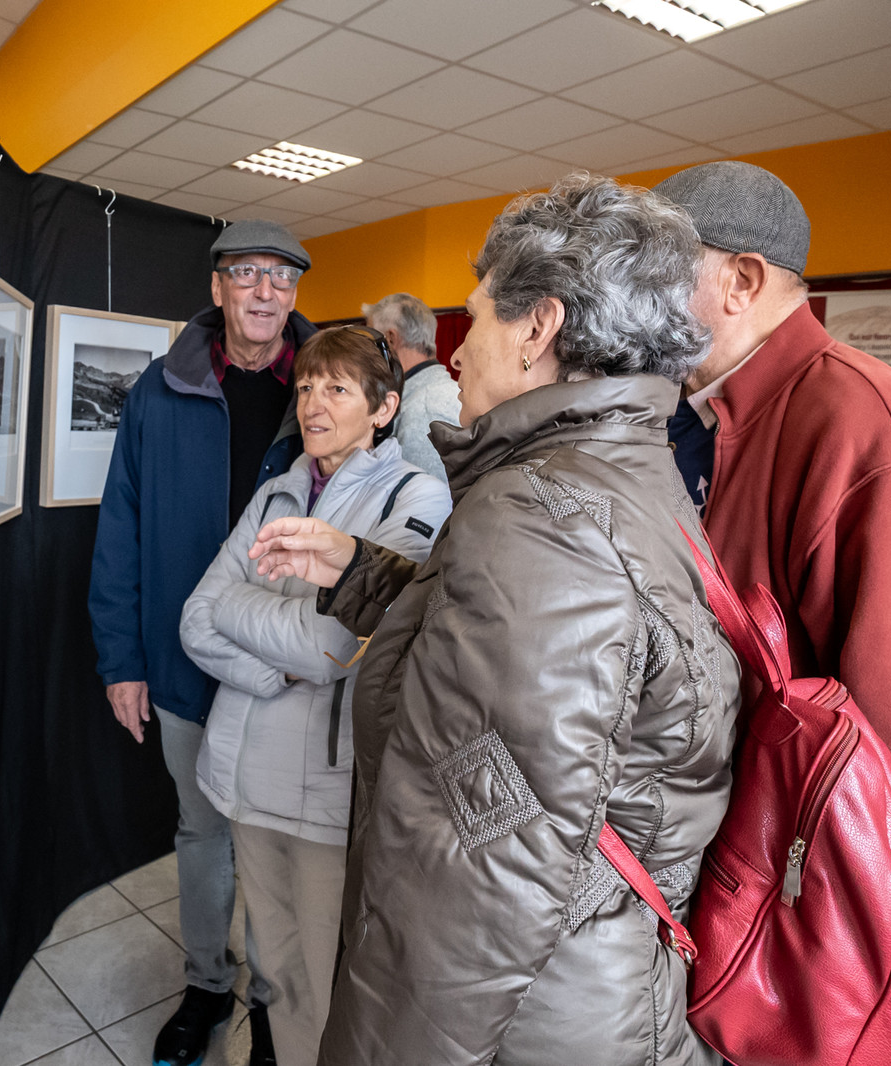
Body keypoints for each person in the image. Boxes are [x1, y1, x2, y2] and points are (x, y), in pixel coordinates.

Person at [251, 174, 743, 1065]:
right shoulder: (616, 476)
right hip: (583, 983)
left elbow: (476, 879)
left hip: (523, 1017)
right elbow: (512, 666)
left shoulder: (541, 516)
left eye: (473, 320)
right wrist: (361, 571)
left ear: (538, 329)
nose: (458, 350)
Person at [180, 326, 451, 1066]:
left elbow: (333, 644)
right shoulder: (276, 490)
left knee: (331, 981)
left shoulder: (416, 496)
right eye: (305, 387)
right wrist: (274, 668)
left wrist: (275, 632)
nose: (312, 403)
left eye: (336, 389)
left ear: (384, 408)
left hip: (327, 793)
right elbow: (197, 618)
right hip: (243, 771)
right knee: (273, 968)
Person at [89, 219, 319, 1066]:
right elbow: (122, 529)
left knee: (279, 842)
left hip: (288, 665)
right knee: (204, 831)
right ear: (218, 288)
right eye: (248, 275)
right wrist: (122, 659)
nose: (266, 293)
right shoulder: (161, 389)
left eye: (281, 278)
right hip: (183, 660)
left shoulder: (325, 386)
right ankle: (207, 985)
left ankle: (274, 1002)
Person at [652, 161, 891, 834]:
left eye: (655, 275)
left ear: (741, 281)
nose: (635, 302)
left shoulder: (865, 424)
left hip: (796, 868)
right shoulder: (694, 412)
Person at [361, 293, 461, 481]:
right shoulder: (441, 393)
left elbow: (427, 505)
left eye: (369, 343)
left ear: (390, 339)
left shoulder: (424, 410)